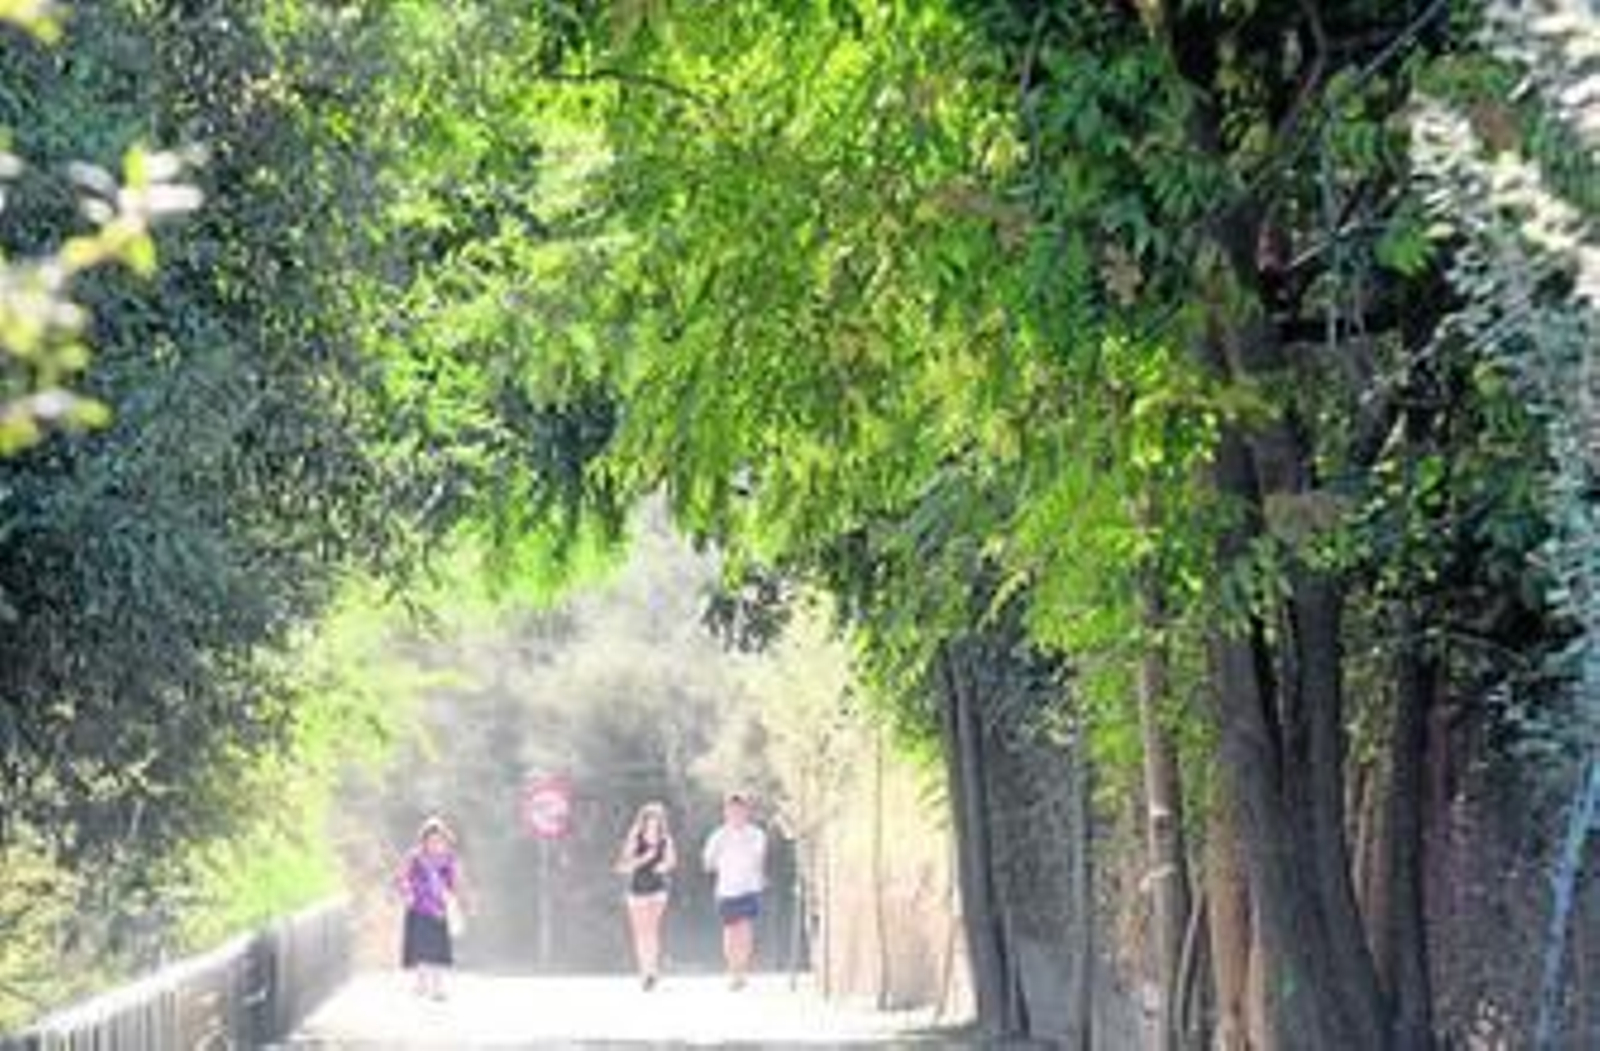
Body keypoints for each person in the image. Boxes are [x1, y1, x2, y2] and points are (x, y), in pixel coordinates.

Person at [701, 791, 767, 990]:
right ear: (726, 812)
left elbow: (758, 858)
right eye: (732, 810)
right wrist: (716, 857)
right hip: (726, 890)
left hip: (749, 887)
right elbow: (707, 864)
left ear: (746, 812)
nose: (736, 813)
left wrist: (754, 867)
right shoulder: (718, 835)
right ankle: (733, 971)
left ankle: (742, 971)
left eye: (740, 810)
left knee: (745, 930)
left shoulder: (756, 834)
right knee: (730, 932)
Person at [397, 815, 467, 1000]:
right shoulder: (415, 857)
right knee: (420, 949)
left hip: (439, 910)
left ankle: (437, 987)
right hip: (419, 908)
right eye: (431, 840)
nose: (435, 844)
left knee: (437, 951)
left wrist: (454, 897)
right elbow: (403, 877)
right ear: (424, 840)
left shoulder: (448, 859)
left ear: (445, 840)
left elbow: (454, 883)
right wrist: (407, 893)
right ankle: (420, 983)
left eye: (439, 840)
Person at [614, 801, 678, 990]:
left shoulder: (666, 839)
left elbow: (672, 861)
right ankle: (644, 971)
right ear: (643, 821)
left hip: (658, 889)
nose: (653, 824)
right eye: (649, 820)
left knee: (652, 930)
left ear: (661, 822)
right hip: (637, 889)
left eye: (656, 820)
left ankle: (652, 972)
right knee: (640, 933)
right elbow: (623, 866)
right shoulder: (635, 837)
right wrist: (645, 858)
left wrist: (664, 865)